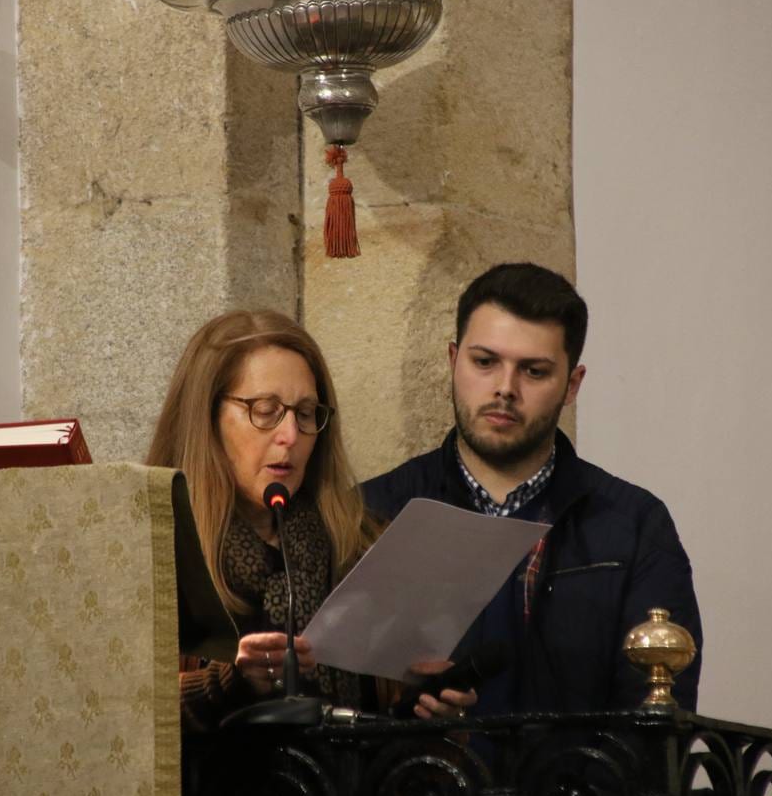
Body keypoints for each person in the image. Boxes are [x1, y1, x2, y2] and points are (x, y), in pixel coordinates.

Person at [363, 263, 703, 715]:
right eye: (484, 362)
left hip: (576, 785)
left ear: (572, 385)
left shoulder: (635, 525)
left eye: (534, 371)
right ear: (452, 360)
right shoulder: (375, 510)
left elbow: (657, 716)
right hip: (417, 781)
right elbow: (336, 703)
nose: (505, 388)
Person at [147, 309, 473, 730]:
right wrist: (227, 684)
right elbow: (117, 715)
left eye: (305, 413)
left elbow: (387, 722)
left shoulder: (360, 546)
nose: (290, 435)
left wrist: (428, 707)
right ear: (207, 419)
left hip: (341, 792)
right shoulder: (156, 550)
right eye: (265, 410)